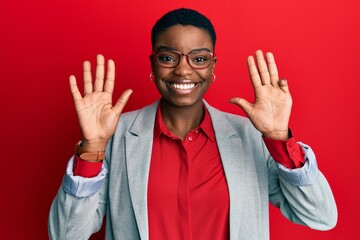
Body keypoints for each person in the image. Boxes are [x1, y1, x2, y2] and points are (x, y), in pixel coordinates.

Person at [48, 8, 337, 240]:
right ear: (153, 64)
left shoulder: (250, 136)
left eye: (199, 58)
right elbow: (65, 235)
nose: (184, 69)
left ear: (213, 67)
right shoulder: (115, 136)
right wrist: (93, 148)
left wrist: (278, 138)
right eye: (167, 57)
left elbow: (320, 216)